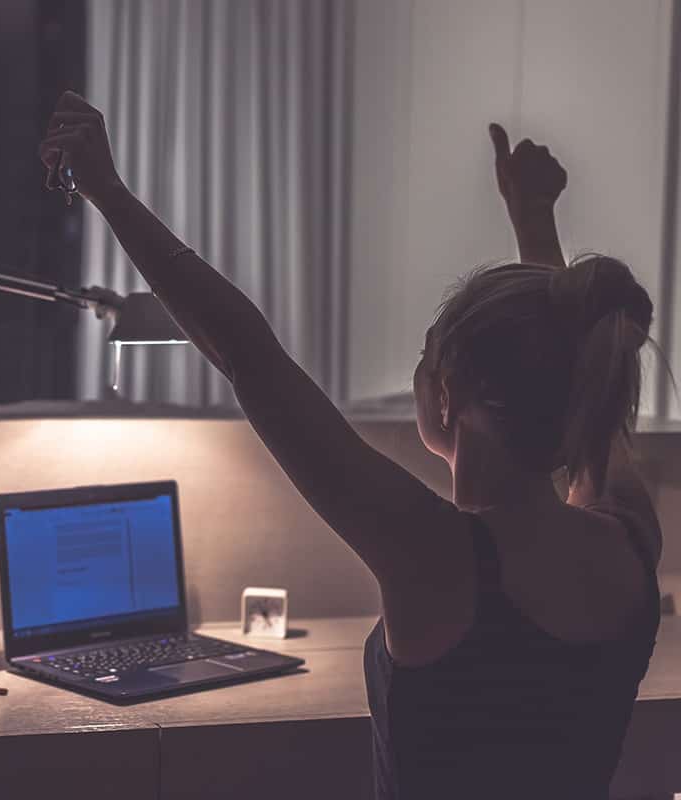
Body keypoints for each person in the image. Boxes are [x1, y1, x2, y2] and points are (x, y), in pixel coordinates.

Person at [40, 92, 661, 799]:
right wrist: (534, 223)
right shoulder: (630, 540)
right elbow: (580, 374)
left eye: (424, 359)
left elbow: (247, 353)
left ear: (448, 394)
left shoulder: (438, 557)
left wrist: (111, 194)